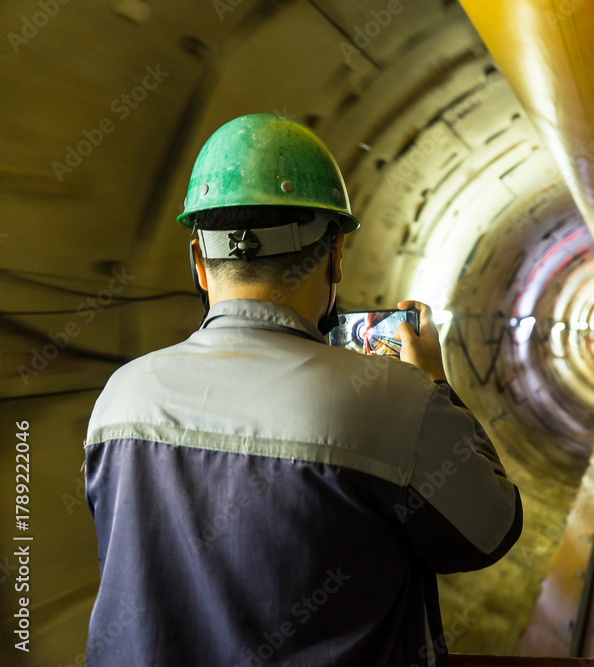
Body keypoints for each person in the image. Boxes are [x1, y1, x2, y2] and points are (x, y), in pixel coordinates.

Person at [83, 114, 522, 666]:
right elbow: (489, 529)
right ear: (334, 255)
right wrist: (433, 384)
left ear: (199, 260)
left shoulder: (119, 399)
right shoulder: (394, 401)